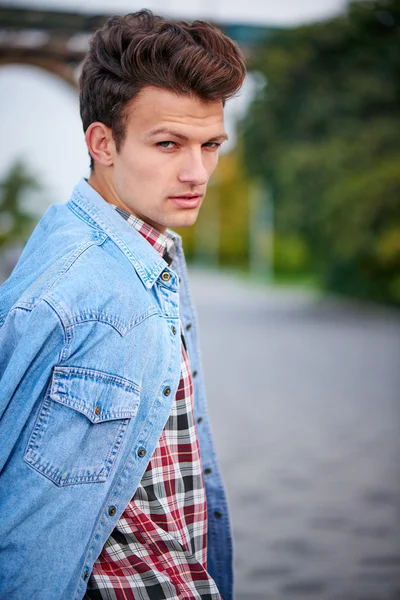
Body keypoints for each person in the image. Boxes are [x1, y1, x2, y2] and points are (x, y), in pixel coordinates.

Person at [0, 10, 246, 600]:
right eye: (168, 144)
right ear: (102, 142)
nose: (198, 172)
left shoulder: (147, 253)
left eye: (210, 145)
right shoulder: (72, 288)